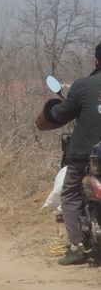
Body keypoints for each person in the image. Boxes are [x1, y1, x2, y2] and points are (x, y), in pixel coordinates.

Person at [36, 42, 101, 265]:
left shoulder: (83, 85)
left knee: (70, 195)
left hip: (84, 154)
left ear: (96, 61)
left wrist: (50, 109)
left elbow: (62, 112)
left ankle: (76, 247)